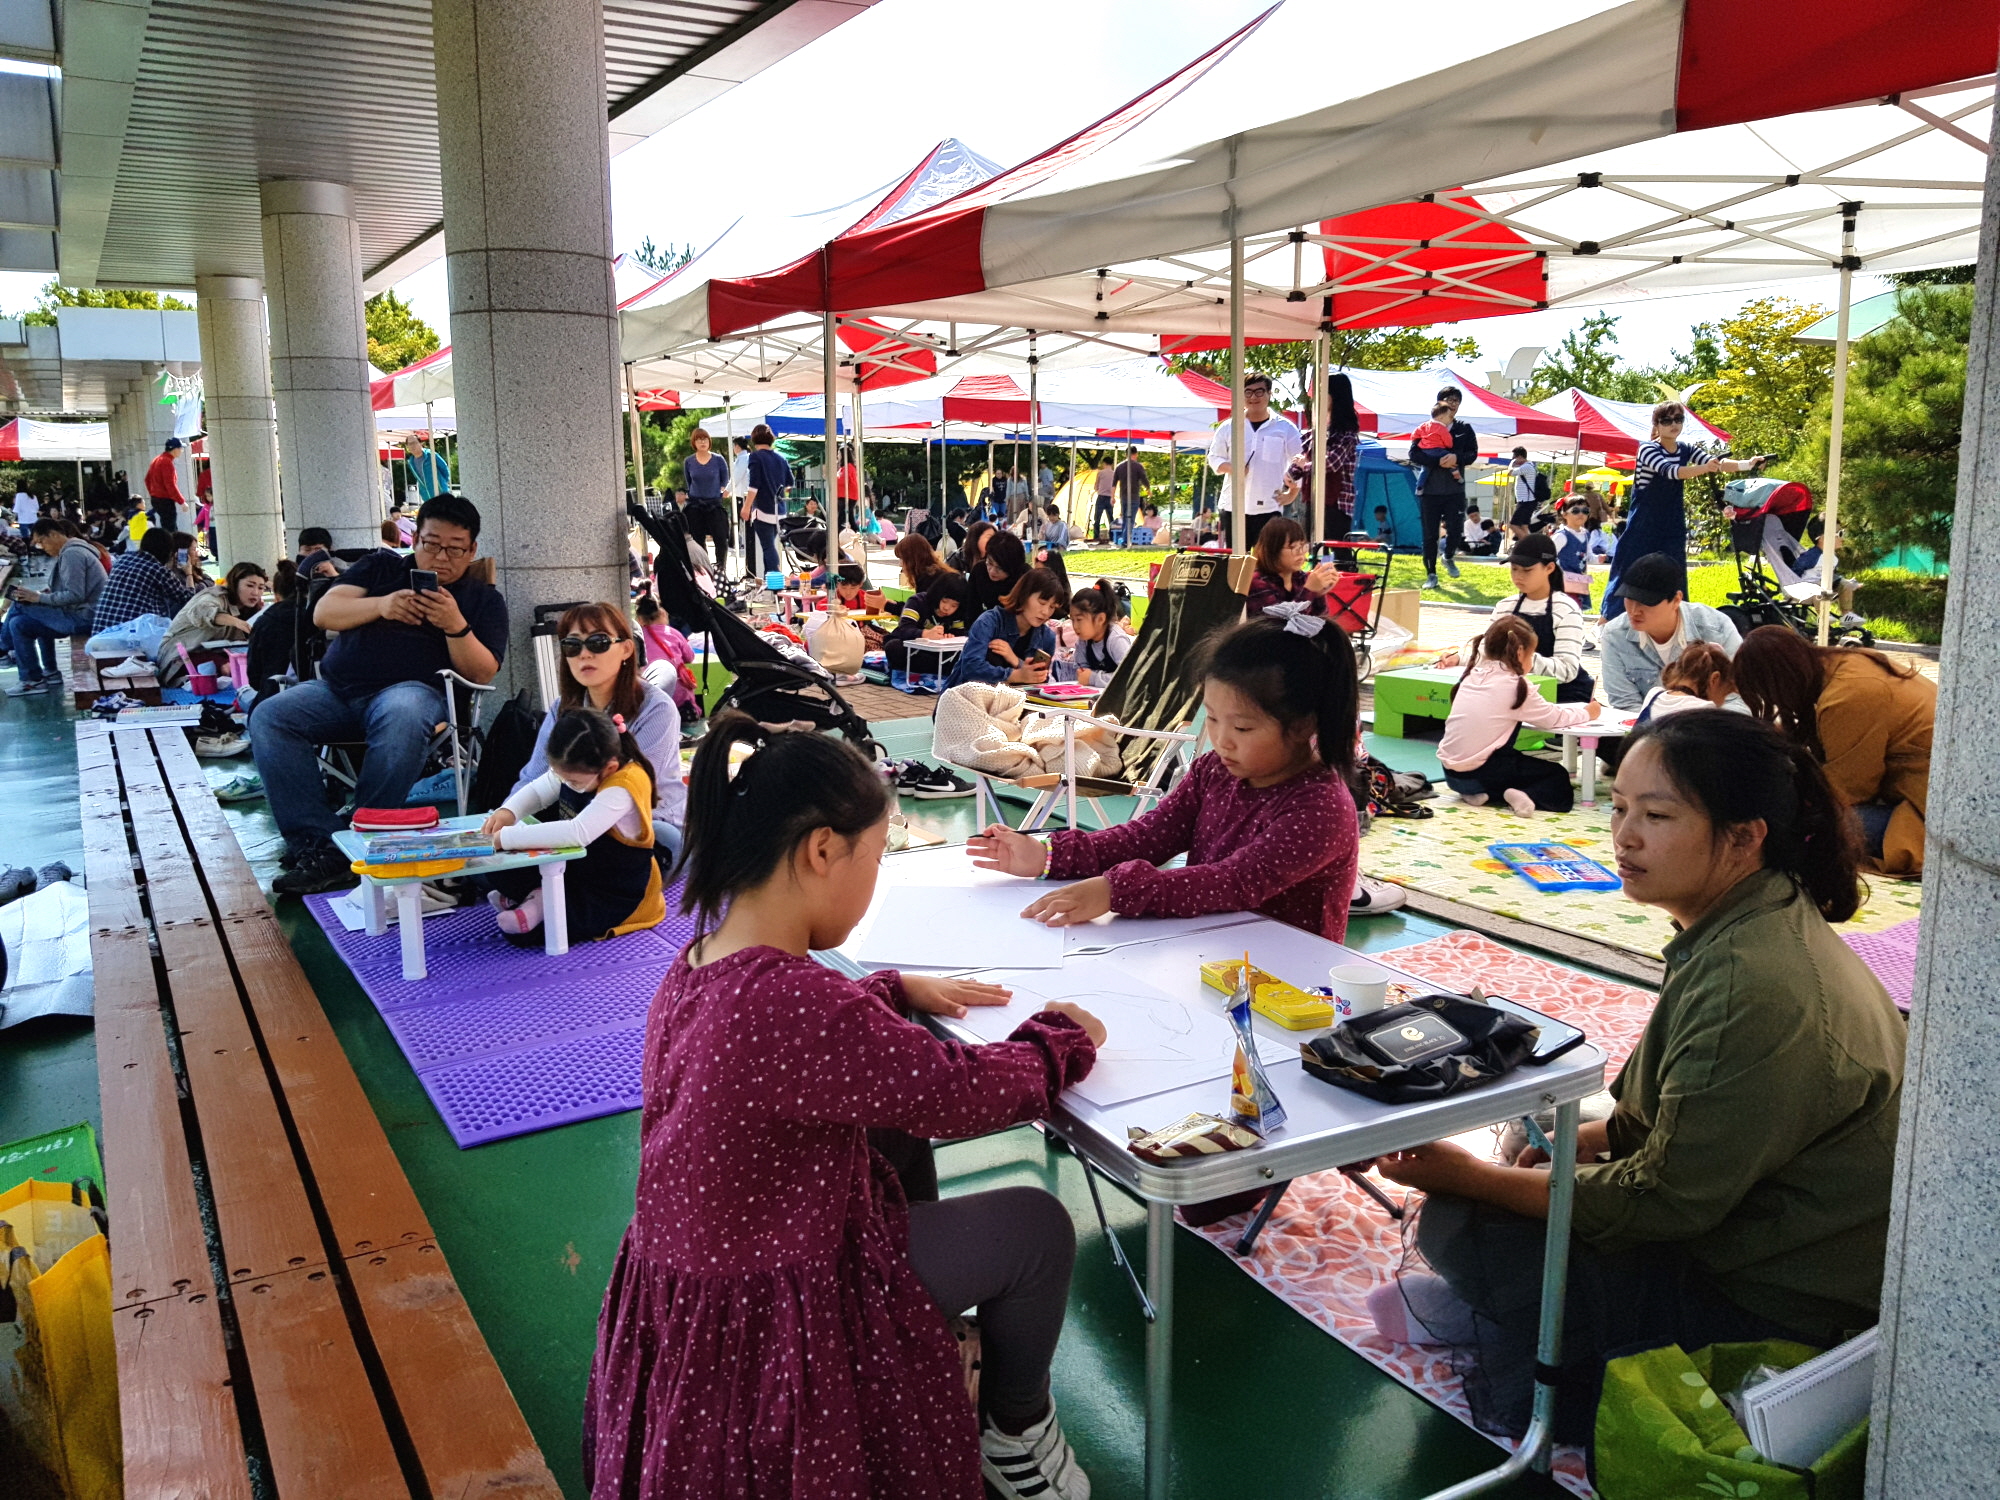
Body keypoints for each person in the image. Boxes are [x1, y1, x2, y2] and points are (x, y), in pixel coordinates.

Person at [581, 714, 1103, 1500]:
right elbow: (957, 1092)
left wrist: (888, 990)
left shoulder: (698, 963)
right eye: (878, 855)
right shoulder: (799, 1004)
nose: (875, 876)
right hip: (774, 1308)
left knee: (887, 1127)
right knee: (1037, 1230)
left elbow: (799, 1057)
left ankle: (922, 1341)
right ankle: (1016, 1431)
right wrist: (1061, 1037)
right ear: (823, 851)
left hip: (698, 1282)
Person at [1375, 712, 1905, 1443]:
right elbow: (1663, 1114)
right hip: (1758, 1231)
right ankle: (1504, 1307)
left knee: (1469, 1218)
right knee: (1545, 1135)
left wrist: (1469, 1178)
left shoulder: (1751, 982)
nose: (1624, 836)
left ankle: (1546, 1350)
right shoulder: (1749, 924)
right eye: (1620, 808)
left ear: (1744, 837)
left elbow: (1662, 1204)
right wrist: (1580, 1144)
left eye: (1656, 816)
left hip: (1775, 1303)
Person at [971, 611, 1361, 942]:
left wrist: (1115, 890)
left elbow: (1234, 882)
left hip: (1295, 984)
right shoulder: (1214, 771)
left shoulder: (1320, 808)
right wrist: (1047, 855)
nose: (1221, 740)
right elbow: (1147, 836)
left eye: (1242, 728)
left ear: (1303, 725)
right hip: (1214, 956)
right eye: (1212, 718)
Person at [256, 494, 509, 896]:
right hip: (337, 691)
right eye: (432, 544)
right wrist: (382, 605)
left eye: (455, 549)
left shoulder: (482, 600)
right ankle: (319, 845)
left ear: (472, 549)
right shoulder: (381, 567)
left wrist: (454, 625)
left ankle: (362, 835)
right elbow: (324, 613)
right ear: (415, 539)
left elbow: (482, 672)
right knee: (270, 716)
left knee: (403, 711)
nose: (441, 557)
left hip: (415, 695)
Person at [1730, 625, 1935, 875]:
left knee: (1796, 825)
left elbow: (1851, 790)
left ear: (1780, 683)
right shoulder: (1844, 663)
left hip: (1925, 816)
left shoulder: (1848, 695)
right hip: (1922, 796)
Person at [514, 600, 687, 864]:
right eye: (572, 645)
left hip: (646, 826)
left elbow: (627, 794)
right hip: (581, 824)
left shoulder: (657, 709)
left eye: (598, 642)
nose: (584, 654)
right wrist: (506, 817)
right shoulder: (562, 707)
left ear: (626, 649)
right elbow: (533, 777)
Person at [482, 706, 667, 940]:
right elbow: (539, 791)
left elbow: (578, 832)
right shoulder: (579, 769)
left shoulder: (626, 783)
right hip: (577, 871)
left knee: (528, 935)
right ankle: (537, 898)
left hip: (615, 891)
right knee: (496, 864)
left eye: (573, 781)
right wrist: (509, 812)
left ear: (609, 768)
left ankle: (537, 901)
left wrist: (506, 838)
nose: (566, 784)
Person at [1603, 402, 1764, 621]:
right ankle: (1608, 619)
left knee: (1674, 569)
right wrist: (1706, 467)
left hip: (1673, 520)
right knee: (1629, 567)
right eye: (1667, 420)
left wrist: (1748, 464)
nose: (1674, 424)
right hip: (1644, 521)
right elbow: (1671, 472)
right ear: (1656, 424)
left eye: (1678, 419)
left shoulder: (1686, 448)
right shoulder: (1648, 449)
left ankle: (1677, 618)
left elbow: (1717, 463)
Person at [1439, 616, 1601, 815]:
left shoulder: (1471, 675)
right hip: (1484, 771)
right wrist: (1587, 713)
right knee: (1556, 774)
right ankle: (1522, 794)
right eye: (1532, 655)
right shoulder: (1516, 685)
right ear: (1520, 653)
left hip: (1451, 774)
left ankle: (1484, 794)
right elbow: (1553, 718)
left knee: (1516, 763)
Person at [1599, 553, 1742, 712]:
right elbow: (1625, 704)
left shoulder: (1717, 628)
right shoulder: (1614, 635)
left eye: (1646, 602)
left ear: (1676, 600)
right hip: (1646, 726)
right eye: (1628, 598)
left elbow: (1739, 699)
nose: (1634, 610)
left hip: (1713, 724)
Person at [1484, 533, 1594, 704]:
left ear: (1549, 568)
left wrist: (1525, 659)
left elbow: (1567, 669)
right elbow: (1487, 653)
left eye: (1527, 570)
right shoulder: (1504, 607)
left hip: (1563, 697)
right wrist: (1459, 659)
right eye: (1514, 569)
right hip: (1513, 693)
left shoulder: (1566, 609)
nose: (1518, 576)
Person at [2, 519, 108, 696]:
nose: (42, 548)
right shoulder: (72, 551)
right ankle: (40, 676)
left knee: (20, 604)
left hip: (84, 618)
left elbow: (75, 595)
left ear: (53, 535)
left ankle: (2, 649)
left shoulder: (72, 554)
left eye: (41, 542)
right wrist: (44, 595)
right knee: (19, 624)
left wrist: (39, 597)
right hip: (80, 614)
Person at [1207, 373, 1302, 551]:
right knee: (1236, 558)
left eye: (1259, 392)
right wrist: (1233, 468)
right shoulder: (1228, 427)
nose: (1253, 397)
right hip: (1233, 504)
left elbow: (1299, 463)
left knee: (1266, 557)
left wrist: (1292, 493)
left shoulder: (1286, 428)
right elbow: (1214, 457)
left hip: (1269, 505)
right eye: (1248, 392)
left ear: (1269, 394)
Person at [944, 567, 1064, 691]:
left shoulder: (1047, 637)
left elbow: (1041, 681)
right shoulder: (989, 622)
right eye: (1042, 603)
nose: (1045, 612)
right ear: (1024, 595)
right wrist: (1016, 675)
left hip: (1017, 700)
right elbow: (971, 668)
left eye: (1052, 607)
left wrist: (1016, 662)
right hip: (966, 697)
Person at [156, 561, 268, 687]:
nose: (255, 592)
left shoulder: (253, 609)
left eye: (261, 588)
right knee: (226, 667)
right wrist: (236, 622)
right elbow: (203, 611)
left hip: (219, 653)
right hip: (181, 656)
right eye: (250, 586)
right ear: (235, 584)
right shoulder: (214, 596)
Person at [1408, 386, 1477, 587]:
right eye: (1449, 400)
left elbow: (1472, 454)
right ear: (1440, 403)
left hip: (1455, 490)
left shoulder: (1464, 428)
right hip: (1430, 491)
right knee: (1430, 535)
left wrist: (1457, 458)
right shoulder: (1427, 427)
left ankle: (1448, 556)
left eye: (1457, 400)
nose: (1453, 404)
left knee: (1455, 529)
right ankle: (1431, 574)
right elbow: (1413, 454)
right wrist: (1436, 461)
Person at [1289, 371, 1362, 537]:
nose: (1318, 397)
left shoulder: (1346, 434)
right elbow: (1297, 461)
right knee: (1312, 546)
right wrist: (1292, 473)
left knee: (1337, 548)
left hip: (1337, 503)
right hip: (1312, 499)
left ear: (1336, 396)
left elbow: (1331, 463)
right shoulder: (1313, 433)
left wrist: (1304, 465)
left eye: (1323, 391)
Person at [91, 525, 196, 634]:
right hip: (130, 635)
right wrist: (189, 573)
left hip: (100, 631)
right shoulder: (157, 570)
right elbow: (188, 598)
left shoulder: (123, 559)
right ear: (167, 550)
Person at [1245, 517, 1341, 619]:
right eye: (1293, 547)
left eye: (1303, 546)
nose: (1301, 553)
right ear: (1273, 550)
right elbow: (1279, 624)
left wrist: (1318, 595)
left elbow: (1320, 620)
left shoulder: (1300, 577)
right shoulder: (1257, 583)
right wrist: (1309, 590)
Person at [632, 593, 699, 723]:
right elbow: (690, 657)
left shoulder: (636, 638)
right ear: (663, 614)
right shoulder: (674, 633)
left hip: (650, 697)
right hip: (679, 698)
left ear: (639, 619)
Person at [243, 558, 302, 703]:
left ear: (276, 594)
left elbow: (254, 679)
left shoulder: (264, 622)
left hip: (273, 700)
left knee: (243, 694)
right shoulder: (320, 617)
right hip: (319, 698)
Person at [1052, 579, 1131, 687]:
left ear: (1100, 619)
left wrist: (1093, 678)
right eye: (1072, 620)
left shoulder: (1116, 640)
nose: (1075, 626)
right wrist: (1084, 676)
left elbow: (1128, 677)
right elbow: (1082, 672)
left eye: (1079, 620)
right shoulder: (1083, 641)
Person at [676, 427, 732, 577]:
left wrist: (722, 492)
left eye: (705, 439)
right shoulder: (689, 461)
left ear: (709, 441)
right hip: (695, 505)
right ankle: (704, 570)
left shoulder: (718, 460)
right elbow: (689, 482)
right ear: (694, 442)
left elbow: (724, 482)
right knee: (697, 539)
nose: (702, 442)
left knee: (721, 538)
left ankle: (721, 569)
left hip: (714, 504)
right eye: (699, 439)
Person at [1636, 642, 1737, 724]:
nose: (1723, 702)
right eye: (1725, 694)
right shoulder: (1705, 709)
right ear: (1714, 679)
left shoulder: (1653, 694)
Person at [739, 424, 790, 577]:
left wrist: (746, 507)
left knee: (767, 547)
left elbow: (754, 485)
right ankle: (770, 579)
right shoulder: (781, 459)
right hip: (779, 510)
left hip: (762, 509)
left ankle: (774, 579)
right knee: (770, 546)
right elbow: (789, 484)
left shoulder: (755, 457)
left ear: (754, 439)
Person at [970, 529, 1027, 617]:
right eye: (990, 562)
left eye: (999, 568)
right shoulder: (979, 571)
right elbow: (972, 608)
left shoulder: (1025, 578)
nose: (992, 571)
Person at [1554, 500, 1594, 609]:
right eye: (1576, 511)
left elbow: (1589, 556)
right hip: (1562, 581)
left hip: (1578, 580)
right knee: (1565, 608)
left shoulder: (1586, 534)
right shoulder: (1561, 536)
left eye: (1585, 511)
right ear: (1564, 514)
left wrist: (1598, 558)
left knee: (1576, 607)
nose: (1581, 514)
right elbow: (1549, 556)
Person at [145, 436, 187, 534]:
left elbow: (147, 480)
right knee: (171, 530)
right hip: (165, 500)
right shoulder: (166, 462)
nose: (181, 451)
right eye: (181, 448)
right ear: (175, 449)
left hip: (156, 499)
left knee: (167, 527)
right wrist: (182, 502)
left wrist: (154, 493)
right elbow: (170, 485)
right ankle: (169, 544)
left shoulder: (156, 459)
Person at [1505, 446, 1541, 541]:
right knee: (1524, 526)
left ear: (1520, 457)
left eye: (1515, 457)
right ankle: (1529, 543)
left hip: (1526, 501)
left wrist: (1511, 463)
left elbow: (1510, 472)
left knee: (1513, 525)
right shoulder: (1529, 466)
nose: (1514, 460)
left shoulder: (1526, 467)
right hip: (1527, 501)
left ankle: (1527, 543)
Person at [1111, 446, 1148, 539]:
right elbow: (1144, 480)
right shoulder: (1138, 466)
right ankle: (1126, 539)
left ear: (1125, 454)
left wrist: (1112, 497)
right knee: (1131, 519)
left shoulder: (1119, 466)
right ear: (1136, 454)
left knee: (1125, 518)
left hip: (1123, 496)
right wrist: (1148, 489)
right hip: (1134, 496)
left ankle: (1124, 538)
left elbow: (1114, 483)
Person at [402, 436, 451, 501]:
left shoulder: (430, 455)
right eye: (410, 444)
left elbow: (444, 469)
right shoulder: (411, 462)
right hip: (427, 497)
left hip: (440, 493)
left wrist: (442, 484)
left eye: (414, 443)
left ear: (421, 443)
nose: (412, 446)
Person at [1088, 459, 1116, 541]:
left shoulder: (1100, 473)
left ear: (1104, 463)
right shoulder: (1114, 474)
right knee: (1111, 518)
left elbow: (1096, 486)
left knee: (1097, 518)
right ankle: (1112, 536)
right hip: (1110, 497)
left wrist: (1098, 489)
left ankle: (1096, 536)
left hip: (1101, 497)